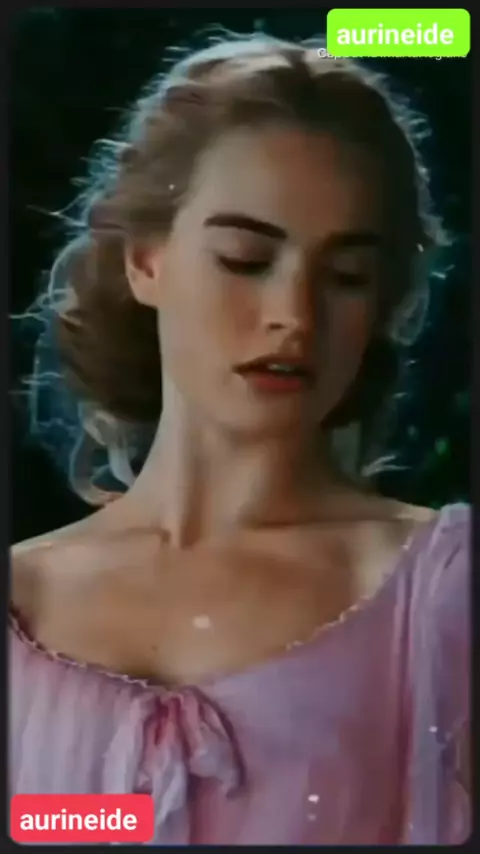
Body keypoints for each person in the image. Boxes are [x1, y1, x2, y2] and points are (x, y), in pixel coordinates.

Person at [10, 33, 470, 844]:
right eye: (245, 258)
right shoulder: (23, 599)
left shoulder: (441, 598)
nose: (294, 314)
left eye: (346, 277)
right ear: (146, 261)